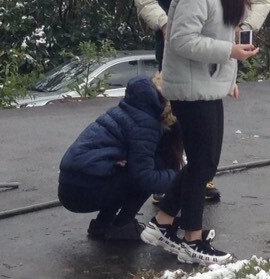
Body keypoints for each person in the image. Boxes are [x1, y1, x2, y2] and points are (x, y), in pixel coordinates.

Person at [132, 0, 270, 202]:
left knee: (205, 126)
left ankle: (200, 180)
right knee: (170, 118)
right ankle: (169, 179)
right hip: (174, 51)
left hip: (217, 53)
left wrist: (243, 31)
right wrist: (165, 23)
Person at [141, 0, 261, 265]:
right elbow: (180, 40)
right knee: (202, 165)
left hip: (205, 86)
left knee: (203, 162)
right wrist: (230, 50)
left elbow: (206, 36)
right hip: (191, 89)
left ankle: (163, 223)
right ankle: (192, 238)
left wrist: (230, 49)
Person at [57, 75, 180, 241]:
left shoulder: (130, 108)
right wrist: (182, 178)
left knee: (127, 168)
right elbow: (144, 178)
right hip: (84, 191)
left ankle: (103, 223)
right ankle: (123, 225)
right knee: (153, 168)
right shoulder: (146, 124)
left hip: (70, 187)